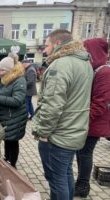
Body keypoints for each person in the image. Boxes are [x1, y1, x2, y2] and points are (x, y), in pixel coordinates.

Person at [32, 29, 93, 200]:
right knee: (65, 174)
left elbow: (52, 105)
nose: (44, 50)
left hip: (59, 134)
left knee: (56, 179)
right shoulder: (84, 62)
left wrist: (43, 132)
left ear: (58, 43)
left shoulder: (60, 65)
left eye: (47, 45)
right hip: (74, 131)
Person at [74, 38, 110, 198]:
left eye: (87, 50)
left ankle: (82, 186)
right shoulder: (97, 70)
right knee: (81, 153)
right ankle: (81, 183)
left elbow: (100, 102)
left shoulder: (104, 72)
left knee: (85, 153)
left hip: (93, 123)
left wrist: (83, 120)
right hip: (90, 121)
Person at [0, 53, 27, 168]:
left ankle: (12, 165)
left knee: (12, 142)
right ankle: (7, 161)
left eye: (2, 70)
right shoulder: (2, 79)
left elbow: (17, 101)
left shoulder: (19, 80)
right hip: (4, 117)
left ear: (11, 70)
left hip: (14, 118)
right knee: (7, 140)